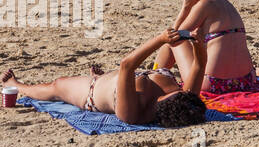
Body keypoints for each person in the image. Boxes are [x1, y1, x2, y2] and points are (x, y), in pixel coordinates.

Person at [3, 29, 207, 127]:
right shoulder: (185, 98)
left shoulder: (133, 114)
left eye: (175, 92)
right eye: (179, 90)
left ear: (162, 105)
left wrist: (160, 39)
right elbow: (199, 64)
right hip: (119, 80)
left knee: (56, 87)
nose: (178, 89)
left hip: (92, 92)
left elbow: (127, 65)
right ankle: (105, 78)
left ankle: (16, 85)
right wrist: (198, 44)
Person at [156, 0, 258, 93]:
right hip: (246, 81)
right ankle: (154, 74)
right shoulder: (225, 3)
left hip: (214, 84)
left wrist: (185, 7)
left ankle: (153, 77)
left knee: (170, 41)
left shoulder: (204, 5)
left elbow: (172, 38)